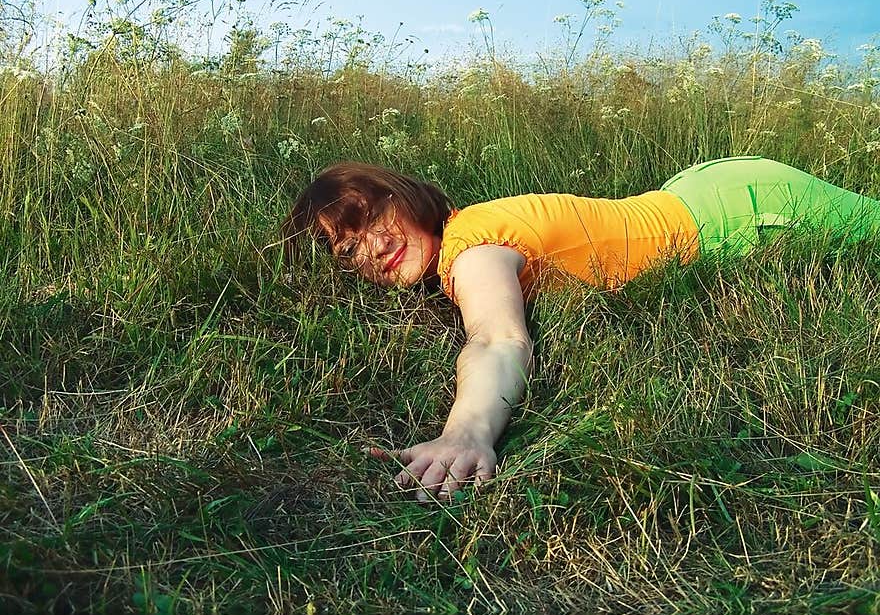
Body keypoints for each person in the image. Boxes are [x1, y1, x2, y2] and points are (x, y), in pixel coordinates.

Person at [282, 156, 880, 501]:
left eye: (372, 218)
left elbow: (497, 339)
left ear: (402, 196)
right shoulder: (474, 232)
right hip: (695, 193)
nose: (373, 246)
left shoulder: (472, 247)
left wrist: (466, 433)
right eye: (347, 250)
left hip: (737, 213)